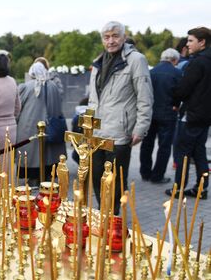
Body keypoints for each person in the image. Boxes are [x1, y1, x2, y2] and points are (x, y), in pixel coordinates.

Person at [88, 21, 153, 215]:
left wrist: (141, 128)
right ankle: (103, 214)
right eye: (106, 37)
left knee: (115, 182)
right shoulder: (99, 61)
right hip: (96, 132)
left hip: (119, 132)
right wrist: (87, 127)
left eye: (115, 36)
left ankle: (112, 220)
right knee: (97, 177)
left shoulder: (136, 60)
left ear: (124, 37)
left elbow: (145, 97)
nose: (111, 41)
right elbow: (94, 99)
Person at [167, 26, 211, 199]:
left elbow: (184, 88)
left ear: (202, 42)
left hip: (192, 115)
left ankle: (178, 189)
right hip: (205, 116)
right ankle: (202, 188)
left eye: (191, 40)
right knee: (199, 151)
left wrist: (174, 100)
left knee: (182, 152)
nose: (187, 44)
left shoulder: (198, 62)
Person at [16, 61, 66, 185]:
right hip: (51, 127)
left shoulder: (26, 87)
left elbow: (18, 107)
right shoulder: (53, 86)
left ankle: (34, 177)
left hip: (30, 127)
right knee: (48, 154)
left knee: (33, 154)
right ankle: (48, 175)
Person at [139, 48, 182, 184]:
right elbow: (180, 92)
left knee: (147, 144)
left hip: (150, 112)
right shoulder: (177, 73)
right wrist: (176, 104)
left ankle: (145, 173)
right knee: (164, 146)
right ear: (175, 60)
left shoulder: (150, 72)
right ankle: (157, 176)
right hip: (168, 113)